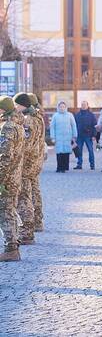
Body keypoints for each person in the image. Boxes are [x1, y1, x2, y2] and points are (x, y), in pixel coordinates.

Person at [14, 92, 42, 246]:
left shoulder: (29, 120)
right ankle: (31, 226)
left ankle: (27, 232)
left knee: (24, 198)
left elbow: (27, 144)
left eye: (16, 104)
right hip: (33, 162)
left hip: (27, 164)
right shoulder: (36, 116)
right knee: (30, 194)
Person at [0, 96, 25, 262]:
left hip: (7, 178)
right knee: (10, 210)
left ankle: (11, 249)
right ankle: (14, 243)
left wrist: (0, 179)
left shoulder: (7, 128)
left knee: (6, 212)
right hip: (15, 176)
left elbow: (5, 157)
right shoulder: (17, 125)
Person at [27, 93, 46, 232]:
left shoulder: (32, 118)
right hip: (37, 158)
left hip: (31, 159)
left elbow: (28, 142)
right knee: (35, 190)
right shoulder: (39, 116)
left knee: (30, 192)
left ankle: (35, 222)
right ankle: (38, 221)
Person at [50, 101, 77, 173]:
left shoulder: (70, 115)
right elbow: (52, 127)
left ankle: (65, 167)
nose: (62, 108)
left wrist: (74, 136)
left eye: (63, 107)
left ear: (65, 107)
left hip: (68, 137)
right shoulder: (55, 116)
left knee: (66, 152)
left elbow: (73, 125)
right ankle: (59, 167)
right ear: (58, 107)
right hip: (58, 137)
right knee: (59, 153)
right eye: (60, 107)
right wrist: (53, 137)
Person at [74, 101, 97, 170]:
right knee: (79, 150)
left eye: (85, 105)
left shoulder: (91, 115)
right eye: (82, 105)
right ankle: (79, 164)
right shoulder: (77, 114)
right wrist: (74, 135)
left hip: (88, 135)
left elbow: (94, 125)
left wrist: (94, 135)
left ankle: (92, 165)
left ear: (87, 106)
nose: (83, 106)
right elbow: (74, 125)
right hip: (79, 135)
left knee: (90, 150)